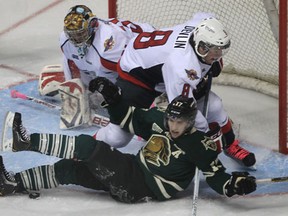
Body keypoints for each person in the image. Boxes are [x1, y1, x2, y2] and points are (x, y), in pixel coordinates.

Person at [0, 77, 257, 202]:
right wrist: (114, 98)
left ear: (190, 121)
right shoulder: (160, 121)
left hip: (140, 187)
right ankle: (12, 183)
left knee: (90, 147)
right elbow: (128, 117)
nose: (173, 126)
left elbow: (216, 176)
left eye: (180, 122)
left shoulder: (199, 145)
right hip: (129, 171)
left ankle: (25, 141)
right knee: (69, 170)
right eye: (172, 119)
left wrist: (234, 185)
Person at [93, 12, 256, 167]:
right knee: (119, 137)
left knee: (214, 106)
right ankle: (89, 146)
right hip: (136, 74)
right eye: (214, 50)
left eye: (220, 49)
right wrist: (205, 137)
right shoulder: (182, 66)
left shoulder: (201, 27)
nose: (218, 54)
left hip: (159, 65)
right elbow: (186, 111)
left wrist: (214, 60)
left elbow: (204, 15)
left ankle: (231, 145)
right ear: (201, 47)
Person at [38, 5, 155, 129]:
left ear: (93, 26)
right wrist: (76, 90)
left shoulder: (108, 45)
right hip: (112, 59)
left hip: (147, 50)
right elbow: (71, 60)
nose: (76, 39)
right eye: (72, 34)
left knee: (114, 86)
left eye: (80, 34)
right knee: (95, 75)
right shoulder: (65, 40)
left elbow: (136, 70)